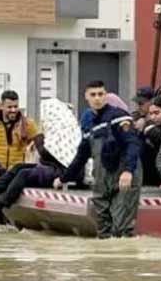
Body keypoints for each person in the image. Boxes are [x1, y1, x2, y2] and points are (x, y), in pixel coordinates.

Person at [56, 80, 143, 238]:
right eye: (93, 95)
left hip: (124, 177)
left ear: (106, 95)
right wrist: (63, 178)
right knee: (103, 229)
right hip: (102, 180)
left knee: (120, 230)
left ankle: (126, 259)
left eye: (101, 94)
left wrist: (128, 171)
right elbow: (81, 156)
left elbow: (132, 144)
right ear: (86, 97)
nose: (97, 98)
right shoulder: (89, 124)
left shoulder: (119, 117)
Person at [0, 132, 65, 225]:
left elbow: (47, 154)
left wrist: (38, 140)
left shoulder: (67, 141)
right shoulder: (54, 136)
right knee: (19, 166)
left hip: (57, 171)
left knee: (24, 173)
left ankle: (0, 206)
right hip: (47, 166)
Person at [0, 90, 40, 173]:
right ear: (2, 106)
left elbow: (39, 144)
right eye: (9, 107)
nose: (13, 110)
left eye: (16, 106)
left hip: (16, 175)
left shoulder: (27, 124)